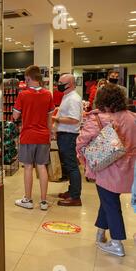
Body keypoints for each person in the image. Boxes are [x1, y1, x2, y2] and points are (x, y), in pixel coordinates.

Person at [76, 84, 136, 257]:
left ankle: (117, 243)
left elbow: (81, 142)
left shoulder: (99, 119)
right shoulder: (132, 117)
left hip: (108, 168)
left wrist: (84, 158)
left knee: (110, 203)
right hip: (130, 168)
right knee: (108, 200)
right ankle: (100, 233)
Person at [13, 65, 55, 211]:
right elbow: (50, 118)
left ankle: (28, 199)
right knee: (42, 167)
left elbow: (15, 115)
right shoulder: (48, 94)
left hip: (28, 135)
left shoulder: (23, 95)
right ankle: (43, 201)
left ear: (28, 78)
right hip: (43, 135)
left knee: (28, 167)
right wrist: (50, 133)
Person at [53, 74, 83, 206]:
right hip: (64, 135)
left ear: (70, 84)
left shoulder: (74, 99)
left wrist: (56, 119)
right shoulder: (67, 96)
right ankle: (72, 191)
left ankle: (75, 197)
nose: (58, 84)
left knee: (72, 166)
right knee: (68, 164)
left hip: (69, 136)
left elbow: (74, 119)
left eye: (61, 82)